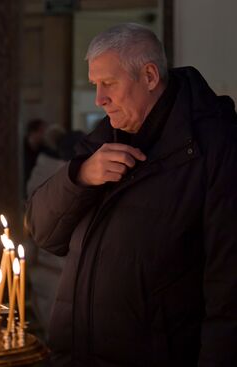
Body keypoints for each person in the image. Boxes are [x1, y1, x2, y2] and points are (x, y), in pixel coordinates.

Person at [26, 23, 237, 366]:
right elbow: (42, 231)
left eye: (109, 83)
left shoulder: (215, 146)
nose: (99, 99)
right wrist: (79, 175)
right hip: (74, 355)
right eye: (95, 85)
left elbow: (227, 288)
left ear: (150, 76)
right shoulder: (106, 135)